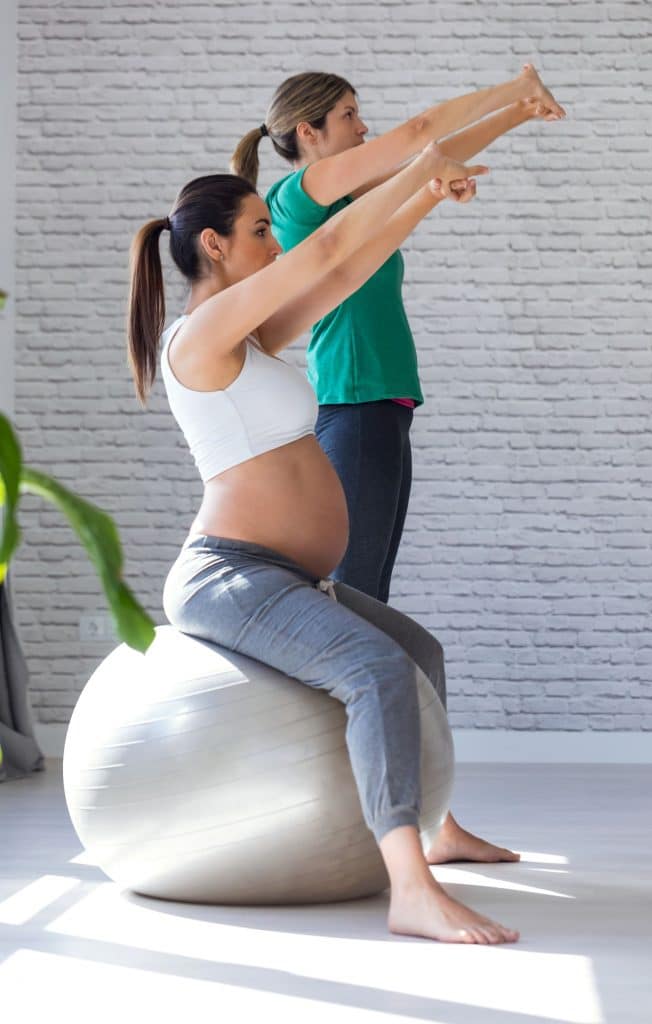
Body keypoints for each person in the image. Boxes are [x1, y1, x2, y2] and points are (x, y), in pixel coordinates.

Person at [127, 145, 522, 944]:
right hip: (228, 577)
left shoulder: (249, 339)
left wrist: (425, 201)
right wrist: (418, 168)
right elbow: (331, 248)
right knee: (373, 668)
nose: (275, 244)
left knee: (418, 651)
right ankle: (408, 889)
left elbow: (342, 274)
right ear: (215, 245)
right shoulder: (198, 337)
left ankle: (437, 828)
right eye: (261, 230)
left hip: (284, 575)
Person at [230, 64, 565, 602]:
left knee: (369, 591)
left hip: (381, 403)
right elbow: (418, 134)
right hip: (356, 400)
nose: (363, 127)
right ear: (307, 133)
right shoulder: (300, 193)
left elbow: (432, 157)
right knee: (353, 593)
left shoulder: (342, 202)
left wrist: (518, 114)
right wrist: (515, 87)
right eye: (348, 115)